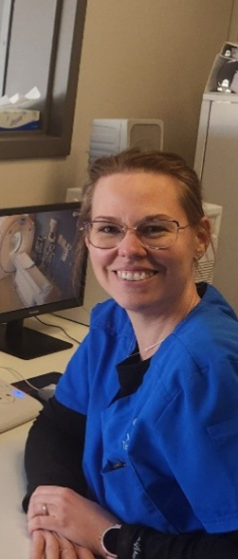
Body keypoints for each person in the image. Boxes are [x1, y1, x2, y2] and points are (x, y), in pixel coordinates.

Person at [22, 148, 238, 559]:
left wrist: (109, 536)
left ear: (200, 237)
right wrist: (51, 506)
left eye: (154, 229)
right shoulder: (114, 325)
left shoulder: (209, 369)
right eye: (108, 229)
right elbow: (59, 427)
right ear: (88, 237)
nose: (129, 249)